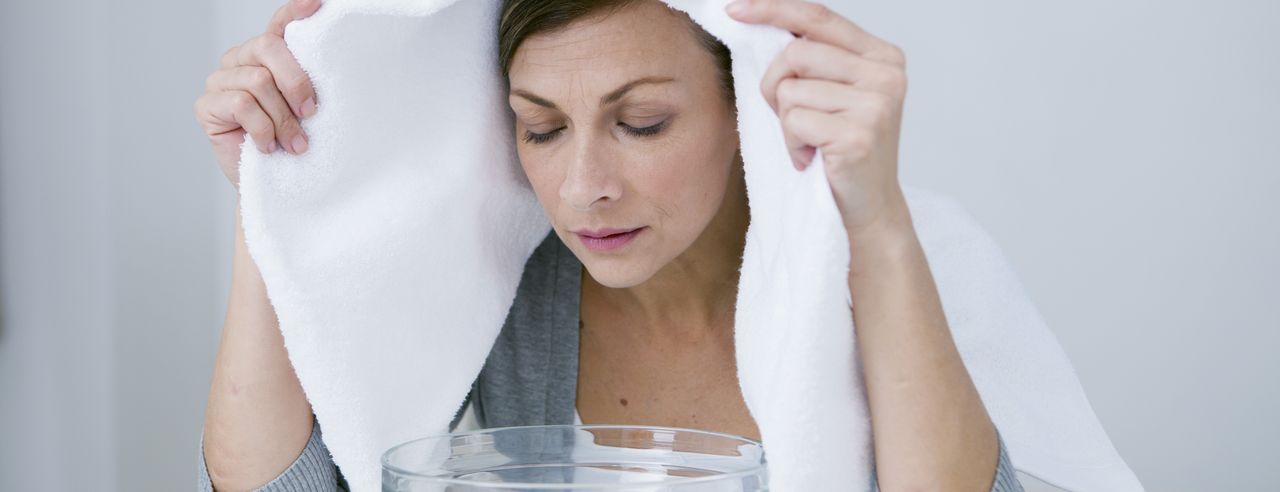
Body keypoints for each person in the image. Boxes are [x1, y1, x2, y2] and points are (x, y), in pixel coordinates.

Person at [193, 0, 1024, 490]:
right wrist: (274, 193)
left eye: (642, 123)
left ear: (743, 105)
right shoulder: (499, 286)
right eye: (542, 128)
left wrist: (877, 226)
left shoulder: (892, 266)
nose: (584, 187)